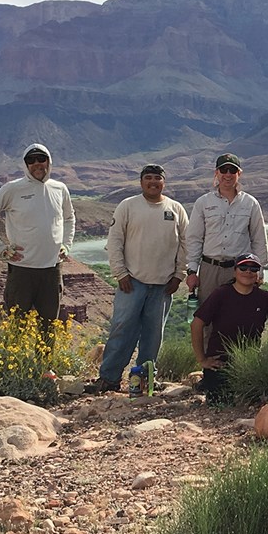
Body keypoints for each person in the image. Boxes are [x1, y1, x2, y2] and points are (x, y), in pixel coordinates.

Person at [90, 164, 189, 394]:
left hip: (163, 285)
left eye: (157, 178)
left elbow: (186, 244)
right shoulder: (128, 206)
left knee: (153, 337)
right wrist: (120, 273)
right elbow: (114, 241)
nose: (153, 182)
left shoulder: (176, 209)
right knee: (122, 330)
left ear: (164, 182)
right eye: (148, 178)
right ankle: (109, 379)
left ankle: (143, 383)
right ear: (141, 181)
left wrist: (179, 275)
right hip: (131, 282)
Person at [0, 143, 75, 324]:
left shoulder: (60, 189)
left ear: (49, 162)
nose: (37, 164)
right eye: (31, 160)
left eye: (41, 159)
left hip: (52, 270)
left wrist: (66, 245)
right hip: (22, 270)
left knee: (49, 327)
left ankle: (45, 355)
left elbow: (69, 218)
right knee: (17, 326)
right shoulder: (12, 189)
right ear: (25, 164)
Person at [190, 253, 268, 401]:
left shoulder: (264, 297)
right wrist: (202, 359)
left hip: (251, 363)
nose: (248, 271)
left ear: (258, 274)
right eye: (243, 267)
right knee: (220, 401)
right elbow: (197, 323)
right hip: (220, 363)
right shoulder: (221, 294)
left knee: (251, 402)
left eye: (253, 269)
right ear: (235, 271)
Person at [185, 152, 268, 305]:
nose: (228, 174)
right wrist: (191, 271)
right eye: (224, 170)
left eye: (232, 170)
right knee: (207, 317)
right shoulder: (203, 202)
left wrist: (260, 271)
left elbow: (259, 239)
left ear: (239, 174)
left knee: (237, 314)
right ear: (216, 173)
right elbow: (194, 239)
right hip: (210, 269)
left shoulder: (250, 203)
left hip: (239, 270)